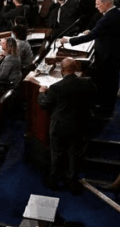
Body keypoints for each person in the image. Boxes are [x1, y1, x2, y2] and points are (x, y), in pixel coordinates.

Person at [58, 0, 120, 116]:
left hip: (108, 55)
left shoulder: (107, 18)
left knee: (107, 82)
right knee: (112, 81)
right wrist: (93, 31)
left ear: (106, 3)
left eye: (98, 4)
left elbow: (94, 35)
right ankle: (108, 105)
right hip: (118, 52)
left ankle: (105, 109)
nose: (96, 6)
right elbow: (107, 31)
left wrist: (68, 40)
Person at [38, 57, 97, 192]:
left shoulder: (55, 87)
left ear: (62, 70)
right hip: (79, 124)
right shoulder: (87, 82)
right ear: (75, 69)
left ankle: (53, 180)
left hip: (60, 126)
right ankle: (72, 181)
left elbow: (44, 104)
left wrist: (41, 93)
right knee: (74, 153)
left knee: (57, 153)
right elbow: (95, 95)